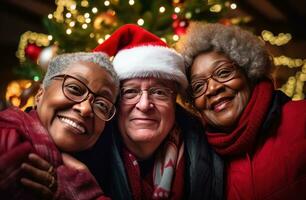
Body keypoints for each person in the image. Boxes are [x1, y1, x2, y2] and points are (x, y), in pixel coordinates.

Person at [89, 24, 224, 200]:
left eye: (159, 92)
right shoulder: (87, 153)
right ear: (115, 101)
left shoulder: (213, 153)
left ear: (174, 101)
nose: (144, 105)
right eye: (130, 92)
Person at [176, 22, 306, 200]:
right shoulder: (200, 160)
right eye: (198, 86)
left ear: (249, 71)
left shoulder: (301, 118)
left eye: (223, 73)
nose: (213, 88)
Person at [0, 52, 119, 200]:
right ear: (39, 94)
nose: (86, 109)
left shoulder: (105, 169)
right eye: (75, 89)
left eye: (101, 105)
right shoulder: (7, 137)